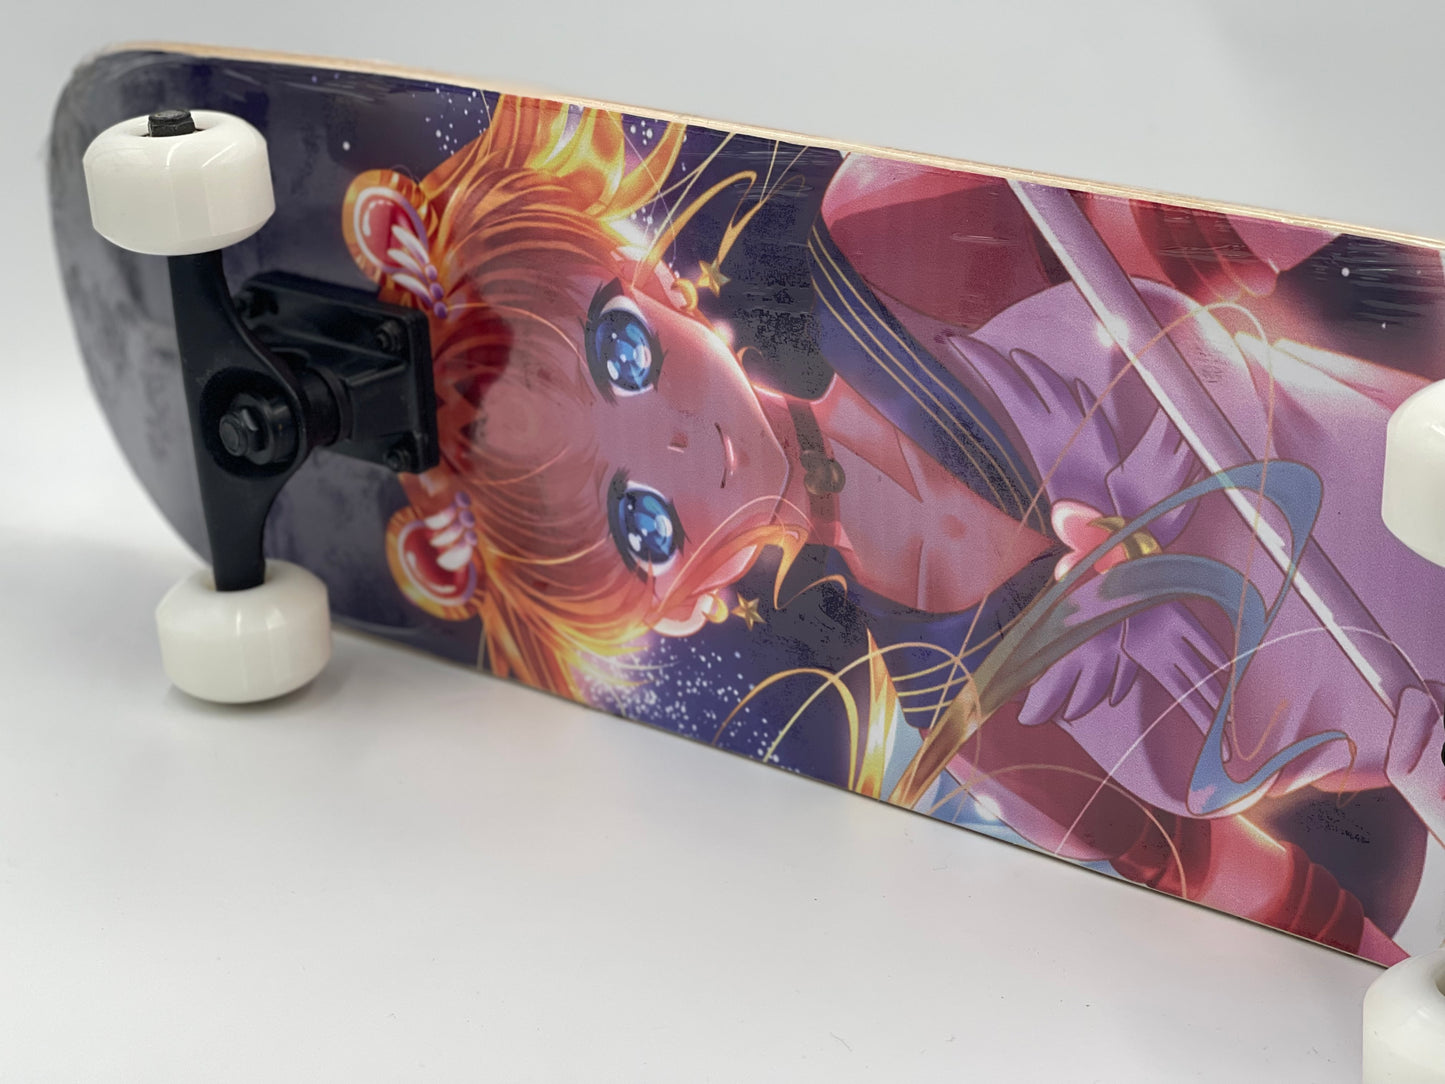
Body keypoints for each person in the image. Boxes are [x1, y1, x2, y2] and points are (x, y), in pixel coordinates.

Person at [341, 95, 1443, 963]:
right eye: (643, 522)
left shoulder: (886, 245)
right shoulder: (974, 725)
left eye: (618, 354)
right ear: (668, 604)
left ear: (654, 284)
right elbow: (1268, 900)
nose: (674, 444)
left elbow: (1263, 211)